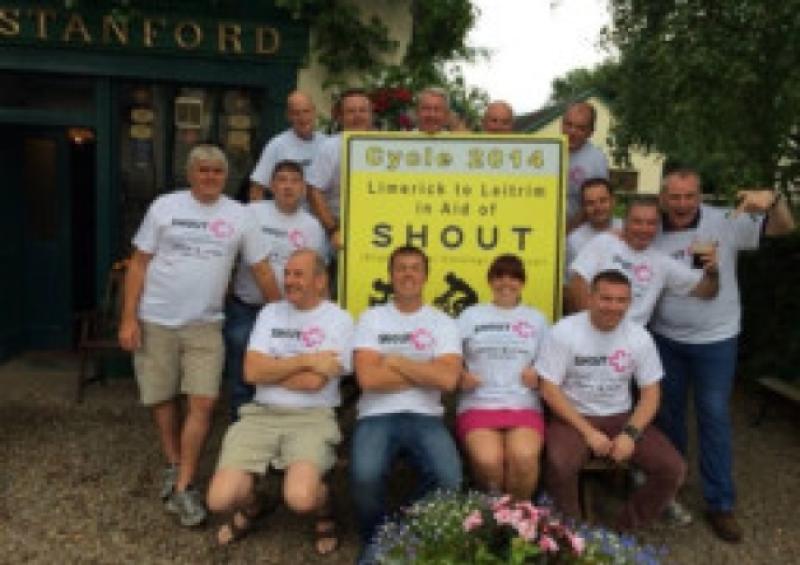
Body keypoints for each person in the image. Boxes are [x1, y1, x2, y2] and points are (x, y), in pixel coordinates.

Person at [118, 144, 280, 527]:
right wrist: (128, 318)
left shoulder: (240, 215)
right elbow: (138, 264)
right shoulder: (164, 207)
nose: (210, 177)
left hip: (206, 323)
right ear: (190, 174)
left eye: (217, 171)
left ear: (226, 177)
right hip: (156, 318)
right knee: (162, 397)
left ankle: (184, 485)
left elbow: (261, 269)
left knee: (204, 402)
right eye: (203, 170)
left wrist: (284, 315)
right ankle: (174, 463)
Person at [650, 168, 796, 542]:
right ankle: (672, 487)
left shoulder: (725, 221)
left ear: (700, 196)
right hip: (665, 338)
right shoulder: (653, 229)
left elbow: (784, 228)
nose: (682, 204)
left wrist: (774, 200)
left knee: (713, 415)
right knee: (669, 416)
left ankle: (720, 503)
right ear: (663, 198)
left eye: (689, 196)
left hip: (716, 338)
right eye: (674, 196)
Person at [207, 249, 353, 554]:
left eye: (298, 274)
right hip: (261, 414)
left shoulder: (339, 320)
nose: (289, 280)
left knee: (300, 498)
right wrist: (307, 359)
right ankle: (255, 504)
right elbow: (250, 372)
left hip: (311, 417)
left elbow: (313, 384)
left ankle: (325, 508)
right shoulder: (270, 313)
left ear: (320, 280)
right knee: (219, 499)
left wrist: (271, 370)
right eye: (286, 273)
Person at [537, 270, 686, 530]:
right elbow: (549, 388)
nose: (613, 307)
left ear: (629, 302)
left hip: (620, 416)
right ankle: (572, 534)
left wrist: (630, 434)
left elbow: (651, 394)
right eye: (606, 298)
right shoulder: (564, 331)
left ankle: (624, 530)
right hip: (573, 416)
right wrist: (588, 432)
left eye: (621, 300)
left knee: (672, 468)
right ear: (590, 298)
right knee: (560, 465)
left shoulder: (639, 337)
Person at [350, 246, 463, 556]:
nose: (408, 274)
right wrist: (426, 370)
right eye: (401, 268)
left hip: (425, 415)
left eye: (415, 268)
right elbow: (368, 379)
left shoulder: (443, 322)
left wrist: (398, 362)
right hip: (376, 414)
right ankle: (376, 542)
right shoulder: (372, 318)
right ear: (391, 275)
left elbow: (448, 380)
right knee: (364, 477)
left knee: (449, 479)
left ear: (425, 276)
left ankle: (399, 537)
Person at [225, 160, 327, 420]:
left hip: (294, 311)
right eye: (282, 180)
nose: (288, 186)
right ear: (271, 186)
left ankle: (280, 416)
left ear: (303, 188)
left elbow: (318, 272)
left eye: (294, 181)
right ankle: (241, 418)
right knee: (242, 354)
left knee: (285, 363)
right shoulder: (252, 213)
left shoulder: (312, 226)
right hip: (249, 307)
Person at [456, 254, 549, 500]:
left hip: (523, 404)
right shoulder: (470, 316)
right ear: (490, 281)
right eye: (499, 277)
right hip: (479, 404)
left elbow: (552, 362)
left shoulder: (537, 319)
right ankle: (492, 517)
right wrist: (460, 375)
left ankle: (519, 518)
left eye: (514, 277)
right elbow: (450, 355)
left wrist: (539, 373)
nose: (506, 283)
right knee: (489, 462)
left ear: (522, 283)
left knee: (524, 458)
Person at [567, 196, 719, 323]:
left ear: (657, 227)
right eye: (637, 222)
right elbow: (578, 281)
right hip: (595, 330)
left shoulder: (661, 262)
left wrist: (712, 272)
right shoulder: (605, 242)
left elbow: (707, 291)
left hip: (632, 339)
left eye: (651, 223)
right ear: (625, 222)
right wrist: (593, 326)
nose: (644, 229)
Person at [306, 88, 374, 253]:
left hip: (374, 229)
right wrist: (333, 230)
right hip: (337, 230)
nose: (357, 116)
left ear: (371, 114)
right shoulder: (330, 148)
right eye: (351, 111)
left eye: (362, 110)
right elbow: (313, 191)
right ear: (340, 117)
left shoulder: (385, 145)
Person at [250, 90, 327, 197]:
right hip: (287, 207)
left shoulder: (326, 143)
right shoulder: (277, 145)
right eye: (296, 113)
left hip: (322, 207)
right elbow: (257, 188)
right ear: (288, 116)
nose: (302, 118)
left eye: (306, 111)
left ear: (314, 112)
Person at [561, 102, 609, 230]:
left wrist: (567, 230)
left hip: (578, 232)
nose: (572, 132)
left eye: (580, 128)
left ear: (590, 132)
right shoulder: (546, 151)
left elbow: (597, 205)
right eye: (569, 125)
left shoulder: (596, 160)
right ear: (562, 124)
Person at [566, 177, 623, 268]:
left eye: (603, 201)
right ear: (583, 207)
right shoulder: (574, 241)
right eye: (590, 203)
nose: (598, 207)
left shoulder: (629, 230)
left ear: (613, 201)